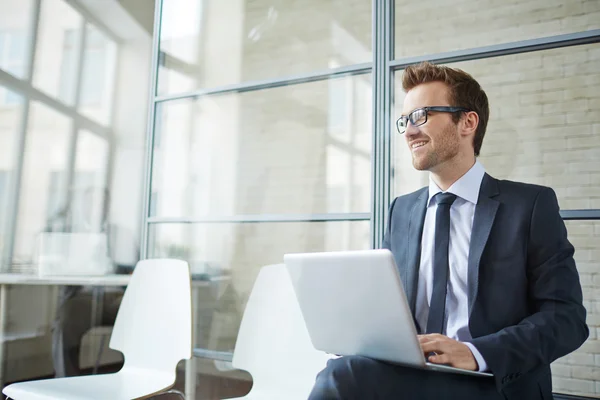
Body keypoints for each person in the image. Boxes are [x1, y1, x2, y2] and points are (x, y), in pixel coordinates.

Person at [308, 62, 588, 400]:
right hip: (412, 373)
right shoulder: (403, 210)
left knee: (343, 378)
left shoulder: (529, 206)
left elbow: (566, 319)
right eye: (405, 120)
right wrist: (360, 336)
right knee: (341, 373)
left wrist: (474, 353)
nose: (409, 132)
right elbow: (388, 307)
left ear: (467, 122)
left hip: (491, 382)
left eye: (422, 116)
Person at [49, 187, 138, 377]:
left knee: (141, 313)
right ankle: (66, 382)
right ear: (84, 206)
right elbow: (60, 270)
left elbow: (136, 271)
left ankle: (136, 380)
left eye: (101, 203)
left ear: (108, 206)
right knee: (66, 317)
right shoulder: (72, 236)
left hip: (119, 297)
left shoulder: (123, 235)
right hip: (85, 298)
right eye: (92, 203)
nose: (96, 208)